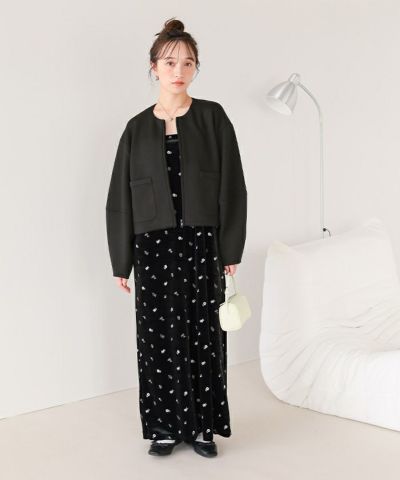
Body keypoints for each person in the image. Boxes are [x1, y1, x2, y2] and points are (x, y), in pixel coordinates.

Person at [105, 17, 247, 458]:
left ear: (195, 67)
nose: (178, 70)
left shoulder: (212, 117)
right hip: (152, 248)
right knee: (157, 338)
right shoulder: (135, 128)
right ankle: (164, 427)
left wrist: (230, 247)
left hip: (203, 244)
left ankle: (203, 427)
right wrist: (121, 260)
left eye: (187, 62)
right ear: (154, 67)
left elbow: (233, 185)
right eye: (169, 62)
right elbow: (120, 197)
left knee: (205, 335)